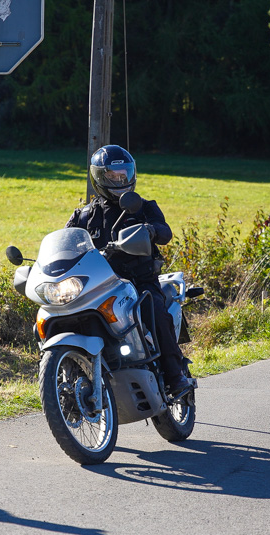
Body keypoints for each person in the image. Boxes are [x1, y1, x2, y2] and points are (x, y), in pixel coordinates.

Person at [66, 144, 191, 396]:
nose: (120, 179)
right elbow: (67, 241)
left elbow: (165, 232)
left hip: (139, 281)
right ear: (99, 177)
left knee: (153, 309)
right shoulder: (83, 215)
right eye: (113, 175)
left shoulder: (143, 206)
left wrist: (152, 230)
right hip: (99, 285)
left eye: (124, 173)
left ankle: (175, 376)